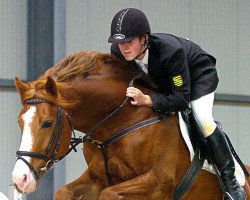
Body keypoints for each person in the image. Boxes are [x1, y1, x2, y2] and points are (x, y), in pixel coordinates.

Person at [108, 8, 246, 200]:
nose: (123, 48)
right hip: (163, 79)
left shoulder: (170, 52)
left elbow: (181, 100)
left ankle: (231, 182)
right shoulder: (119, 52)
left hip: (197, 76)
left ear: (144, 38)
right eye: (119, 42)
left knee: (202, 118)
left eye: (129, 41)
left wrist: (147, 100)